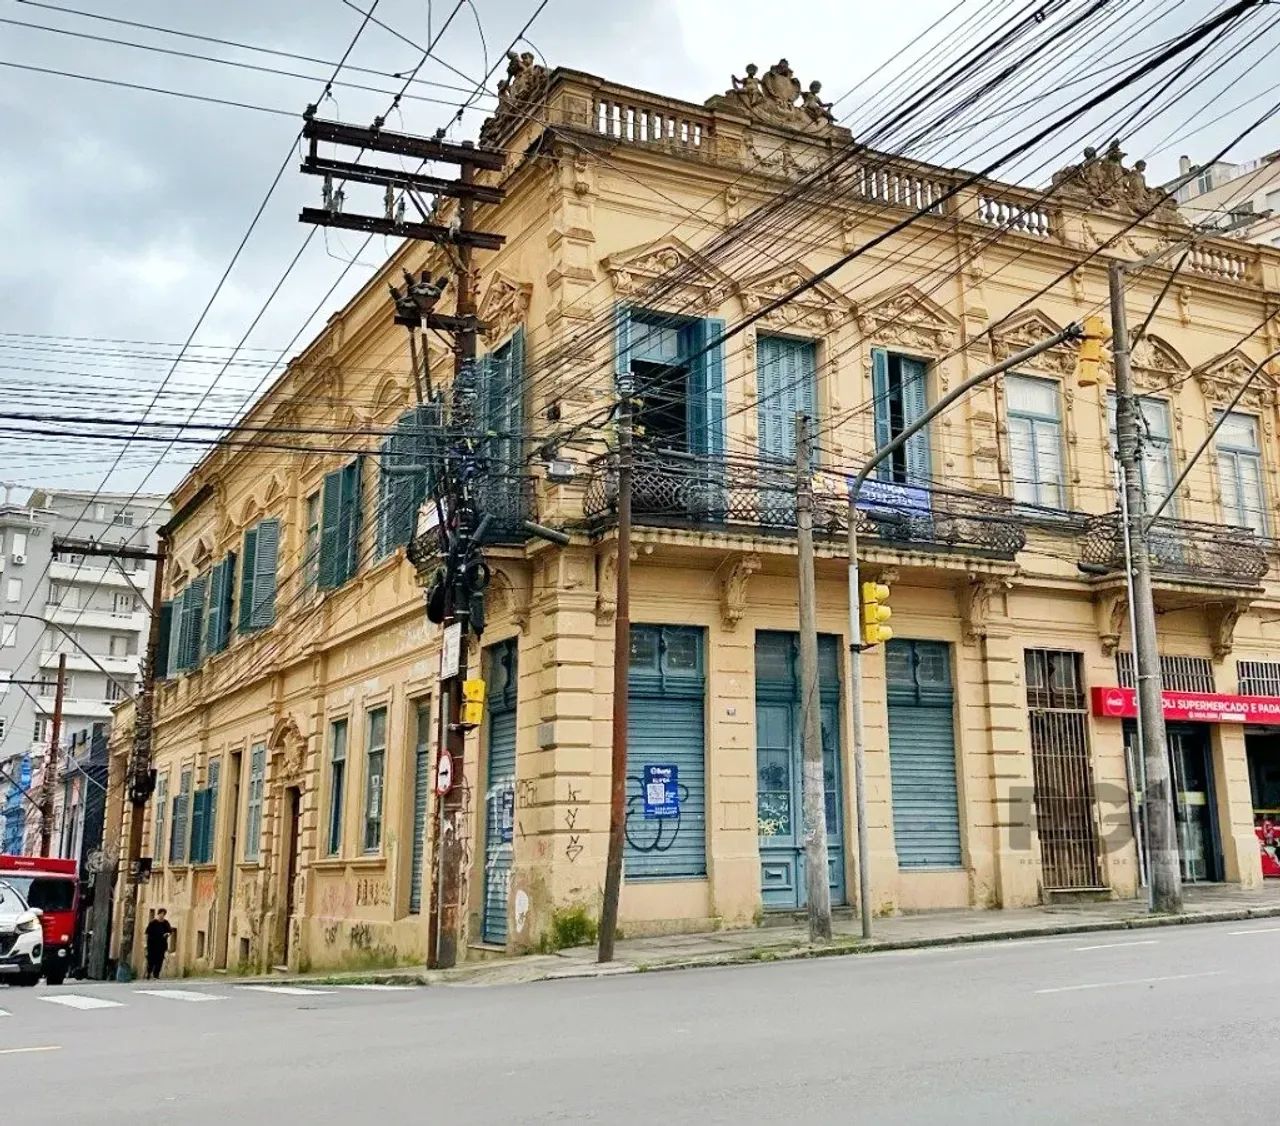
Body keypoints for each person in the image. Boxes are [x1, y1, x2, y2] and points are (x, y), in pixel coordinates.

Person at [144, 909, 173, 980]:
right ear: (158, 914)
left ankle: (156, 975)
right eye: (161, 914)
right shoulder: (153, 922)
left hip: (161, 944)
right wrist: (145, 944)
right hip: (152, 944)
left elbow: (170, 931)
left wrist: (167, 934)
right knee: (151, 959)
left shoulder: (166, 923)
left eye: (163, 914)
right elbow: (147, 933)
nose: (162, 915)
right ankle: (149, 972)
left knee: (159, 960)